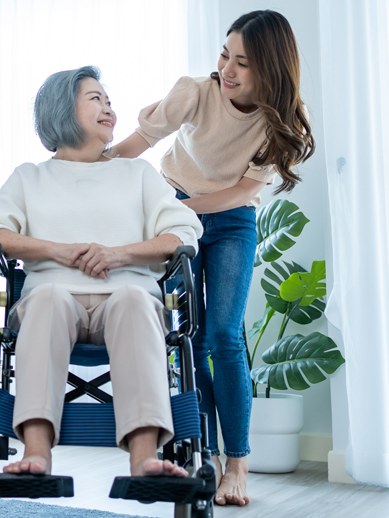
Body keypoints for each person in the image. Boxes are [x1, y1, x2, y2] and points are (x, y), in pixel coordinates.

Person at [108, 10, 316, 506]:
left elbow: (238, 194)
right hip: (176, 211)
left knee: (223, 334)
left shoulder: (277, 123)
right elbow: (138, 143)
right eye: (225, 54)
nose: (227, 68)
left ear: (270, 69)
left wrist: (174, 212)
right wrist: (87, 170)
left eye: (243, 62)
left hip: (229, 222)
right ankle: (208, 454)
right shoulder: (195, 92)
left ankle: (238, 464)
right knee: (188, 338)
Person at [0, 66, 203, 479]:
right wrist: (53, 250)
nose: (108, 107)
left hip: (128, 294)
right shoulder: (31, 177)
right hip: (53, 298)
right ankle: (37, 452)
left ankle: (145, 457)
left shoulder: (138, 174)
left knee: (134, 300)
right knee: (47, 298)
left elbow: (184, 232)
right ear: (62, 109)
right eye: (95, 98)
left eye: (109, 100)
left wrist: (120, 255)